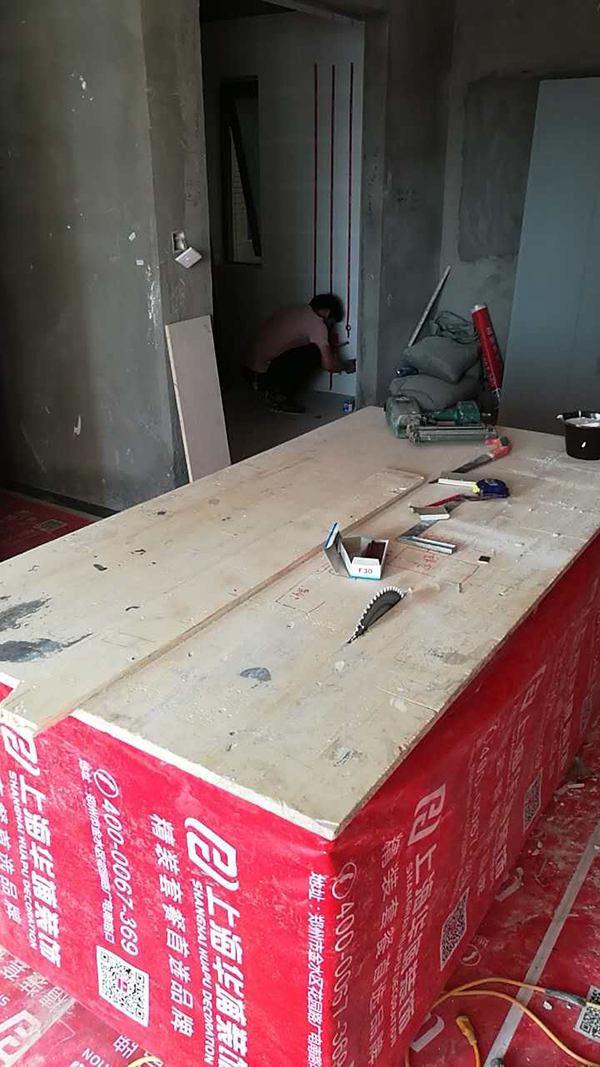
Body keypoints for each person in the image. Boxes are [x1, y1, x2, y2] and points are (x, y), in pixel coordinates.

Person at [245, 294, 357, 413]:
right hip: (263, 376)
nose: (330, 327)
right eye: (332, 323)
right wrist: (346, 366)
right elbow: (328, 364)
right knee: (315, 352)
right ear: (328, 313)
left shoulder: (296, 312)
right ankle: (278, 398)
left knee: (312, 349)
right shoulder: (316, 323)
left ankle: (271, 391)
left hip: (249, 372)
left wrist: (327, 345)